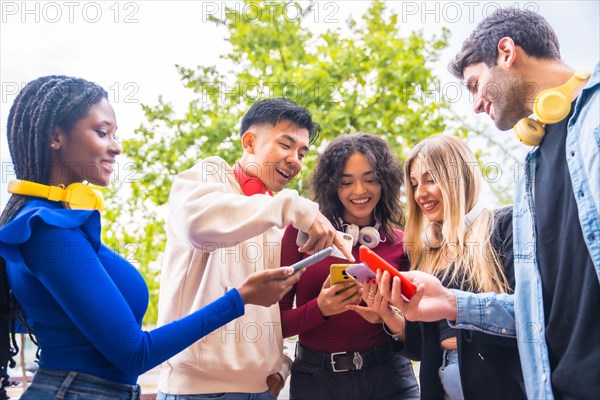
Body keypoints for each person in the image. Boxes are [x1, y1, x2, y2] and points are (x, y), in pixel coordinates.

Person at [0, 76, 302, 400]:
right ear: (56, 137)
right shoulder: (46, 228)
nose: (116, 146)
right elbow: (136, 354)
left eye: (114, 134)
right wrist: (239, 298)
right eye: (102, 133)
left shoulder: (56, 224)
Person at [380, 8, 599, 400]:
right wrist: (449, 302)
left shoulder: (594, 118)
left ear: (507, 52)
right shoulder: (531, 171)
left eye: (475, 84)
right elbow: (533, 314)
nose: (476, 104)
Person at [155, 98, 353, 400]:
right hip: (196, 391)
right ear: (249, 141)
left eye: (302, 152)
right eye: (286, 145)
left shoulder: (275, 217)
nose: (296, 160)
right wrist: (292, 205)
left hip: (262, 390)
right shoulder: (208, 176)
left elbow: (276, 306)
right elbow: (198, 226)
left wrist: (282, 366)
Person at [365, 135, 525, 399]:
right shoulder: (429, 252)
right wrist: (388, 315)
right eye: (415, 184)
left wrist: (454, 304)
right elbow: (420, 348)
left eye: (430, 180)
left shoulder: (505, 226)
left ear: (460, 178)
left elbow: (529, 317)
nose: (420, 194)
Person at [279, 133, 420, 400]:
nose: (359, 191)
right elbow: (278, 325)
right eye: (346, 182)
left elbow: (417, 332)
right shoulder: (299, 236)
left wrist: (387, 316)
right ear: (332, 187)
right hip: (317, 382)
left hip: (389, 376)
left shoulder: (402, 243)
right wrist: (319, 309)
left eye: (370, 179)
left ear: (385, 181)